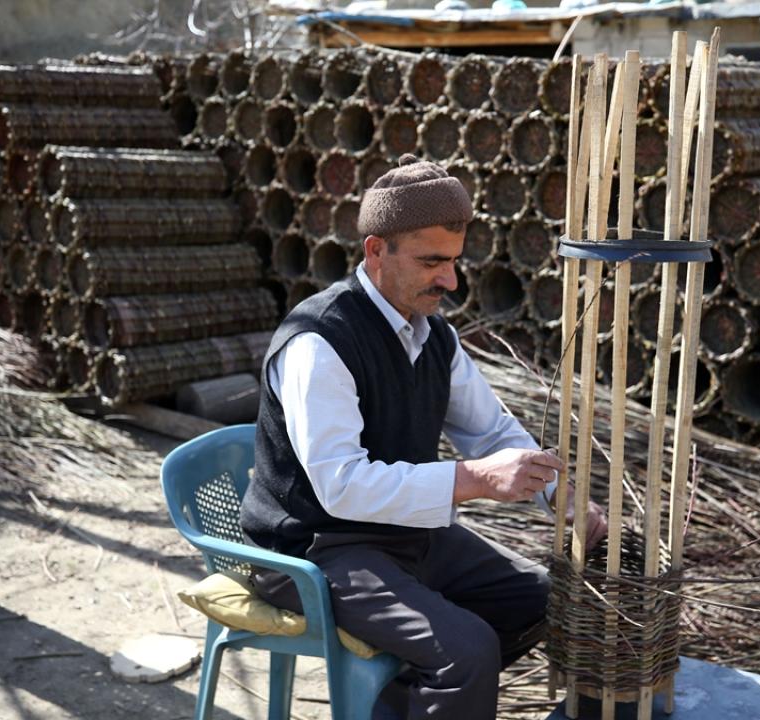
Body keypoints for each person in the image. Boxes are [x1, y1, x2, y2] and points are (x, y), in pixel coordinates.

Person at [240, 154, 607, 719]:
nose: (450, 280)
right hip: (312, 551)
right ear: (375, 251)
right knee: (467, 652)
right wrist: (475, 479)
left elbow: (490, 429)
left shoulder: (433, 336)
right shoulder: (320, 341)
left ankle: (394, 707)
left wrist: (561, 495)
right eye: (431, 261)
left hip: (401, 535)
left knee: (541, 600)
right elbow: (341, 486)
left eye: (454, 261)